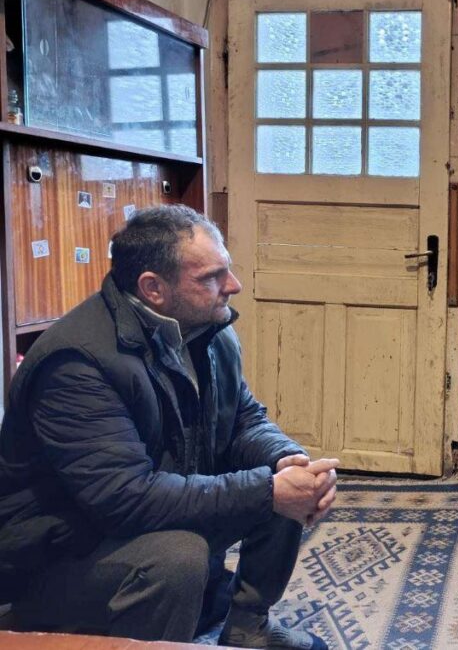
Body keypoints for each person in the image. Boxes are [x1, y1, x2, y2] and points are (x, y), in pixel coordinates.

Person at [0, 205, 336, 650]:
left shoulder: (210, 331)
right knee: (179, 558)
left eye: (227, 270)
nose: (233, 286)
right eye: (211, 277)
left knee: (285, 477)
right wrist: (265, 491)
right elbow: (125, 499)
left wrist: (285, 459)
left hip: (138, 518)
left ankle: (247, 626)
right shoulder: (76, 363)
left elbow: (243, 419)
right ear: (153, 288)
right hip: (51, 559)